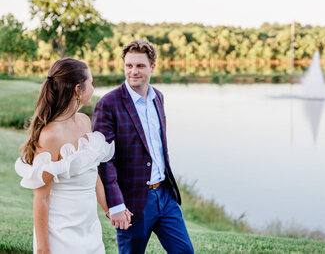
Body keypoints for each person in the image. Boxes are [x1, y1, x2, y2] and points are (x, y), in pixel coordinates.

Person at [15, 58, 129, 254]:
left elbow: (92, 173)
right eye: (91, 83)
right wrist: (43, 250)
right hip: (61, 235)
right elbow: (40, 197)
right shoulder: (51, 135)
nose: (93, 87)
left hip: (89, 231)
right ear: (78, 89)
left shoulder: (85, 121)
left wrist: (109, 209)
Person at [93, 40, 194, 254]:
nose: (133, 71)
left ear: (152, 67)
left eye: (140, 66)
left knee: (184, 251)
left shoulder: (159, 97)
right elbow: (104, 160)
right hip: (133, 201)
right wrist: (116, 205)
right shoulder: (108, 104)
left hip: (165, 196)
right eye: (129, 66)